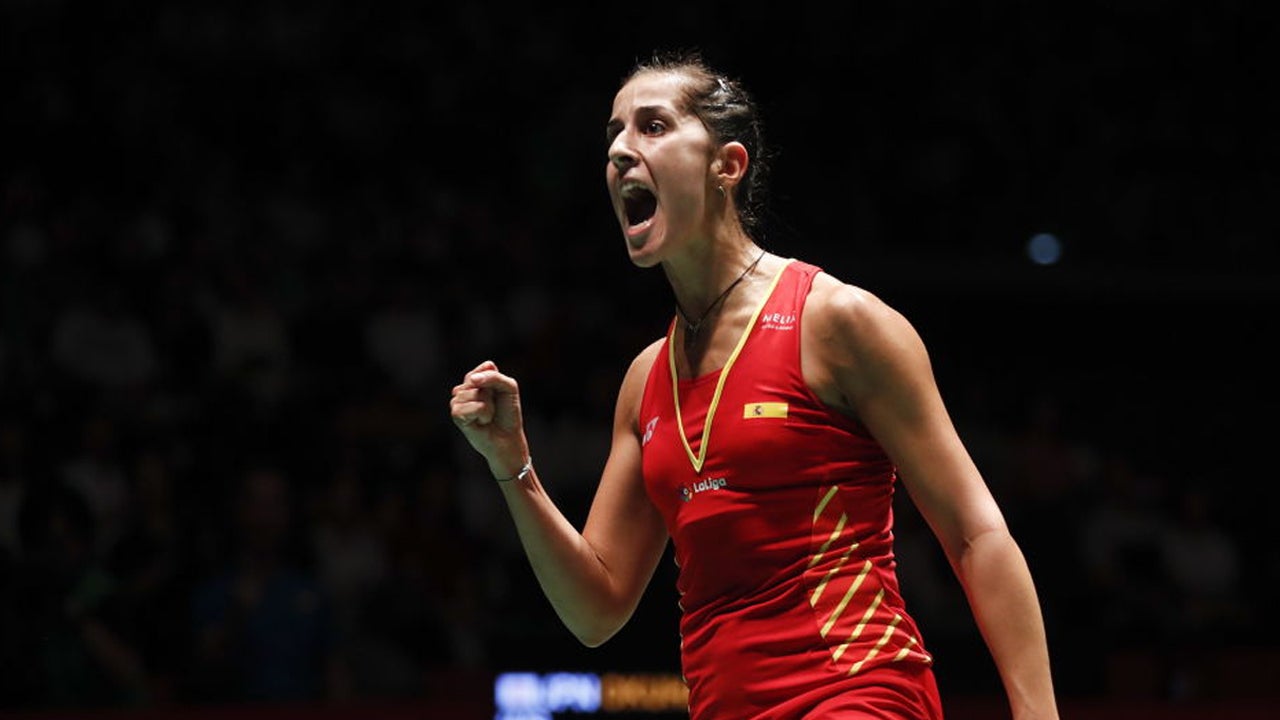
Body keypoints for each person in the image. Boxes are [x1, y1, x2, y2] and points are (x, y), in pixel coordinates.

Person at [450, 49, 1058, 719]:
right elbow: (596, 609)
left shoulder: (836, 323)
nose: (622, 150)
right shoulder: (646, 380)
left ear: (727, 166)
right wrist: (513, 468)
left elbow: (976, 534)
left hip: (857, 693)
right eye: (613, 135)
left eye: (652, 126)